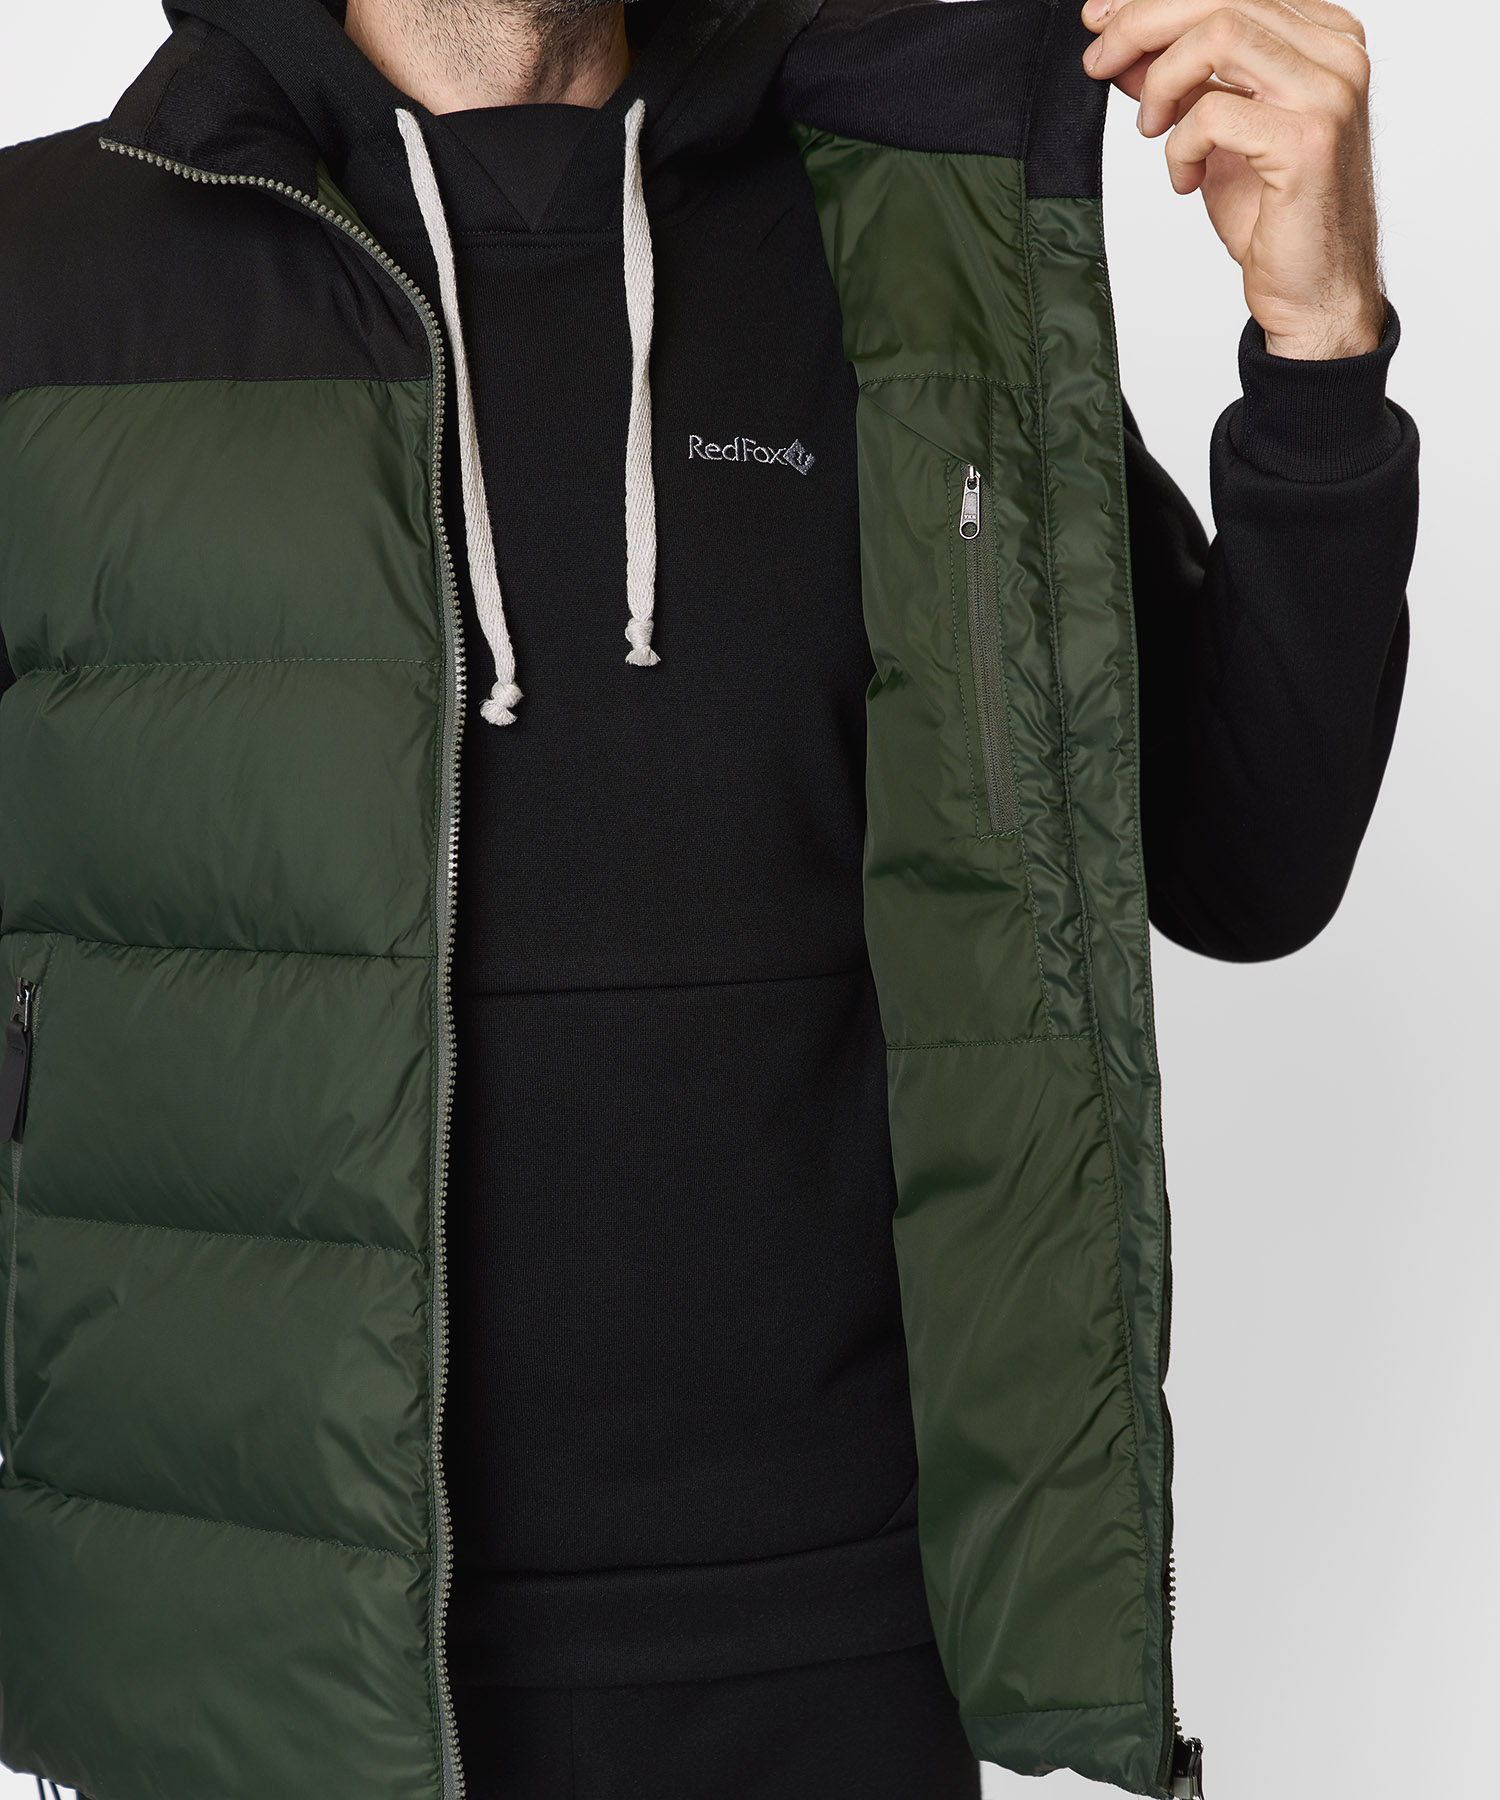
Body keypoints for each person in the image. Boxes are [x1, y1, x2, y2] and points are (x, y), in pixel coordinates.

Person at [0, 1, 1416, 1797]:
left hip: (841, 1659)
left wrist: (1317, 349)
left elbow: (1245, 863)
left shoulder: (904, 247)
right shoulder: (49, 276)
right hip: (252, 1668)